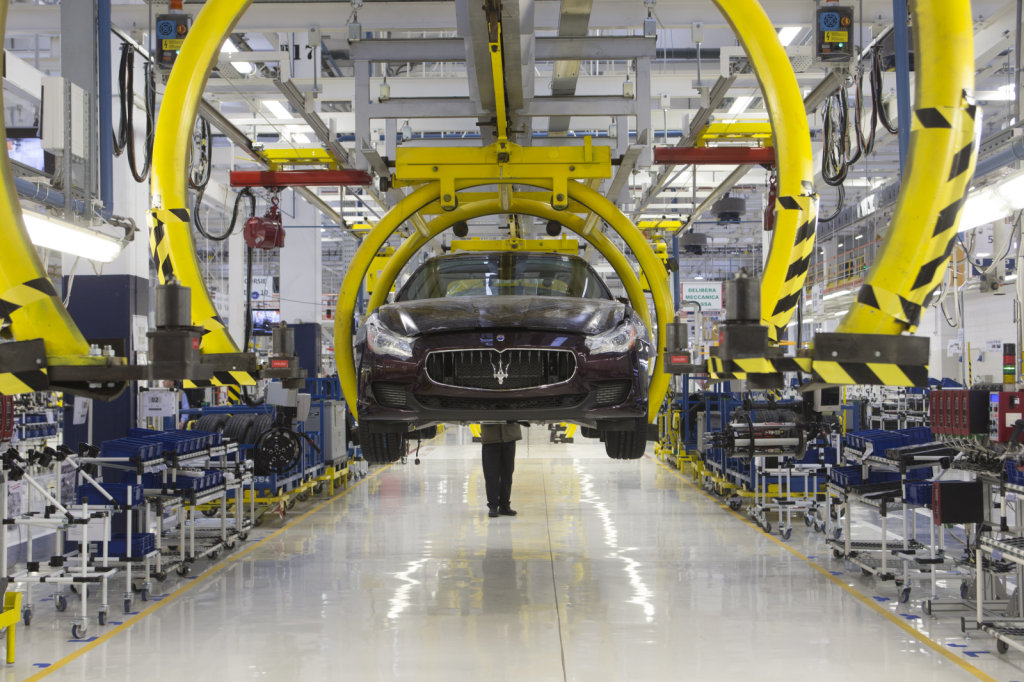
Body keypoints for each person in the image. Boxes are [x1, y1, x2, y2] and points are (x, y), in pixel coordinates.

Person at [480, 422, 521, 518]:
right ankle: (493, 506)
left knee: (507, 474)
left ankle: (504, 505)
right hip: (490, 439)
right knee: (491, 475)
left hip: (509, 437)